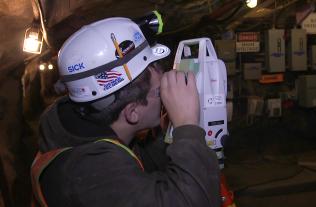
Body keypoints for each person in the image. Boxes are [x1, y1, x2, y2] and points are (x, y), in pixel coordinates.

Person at [30, 15, 221, 207]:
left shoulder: (88, 134)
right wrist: (186, 126)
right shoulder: (91, 172)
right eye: (158, 92)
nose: (166, 95)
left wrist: (167, 129)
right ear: (132, 112)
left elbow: (154, 170)